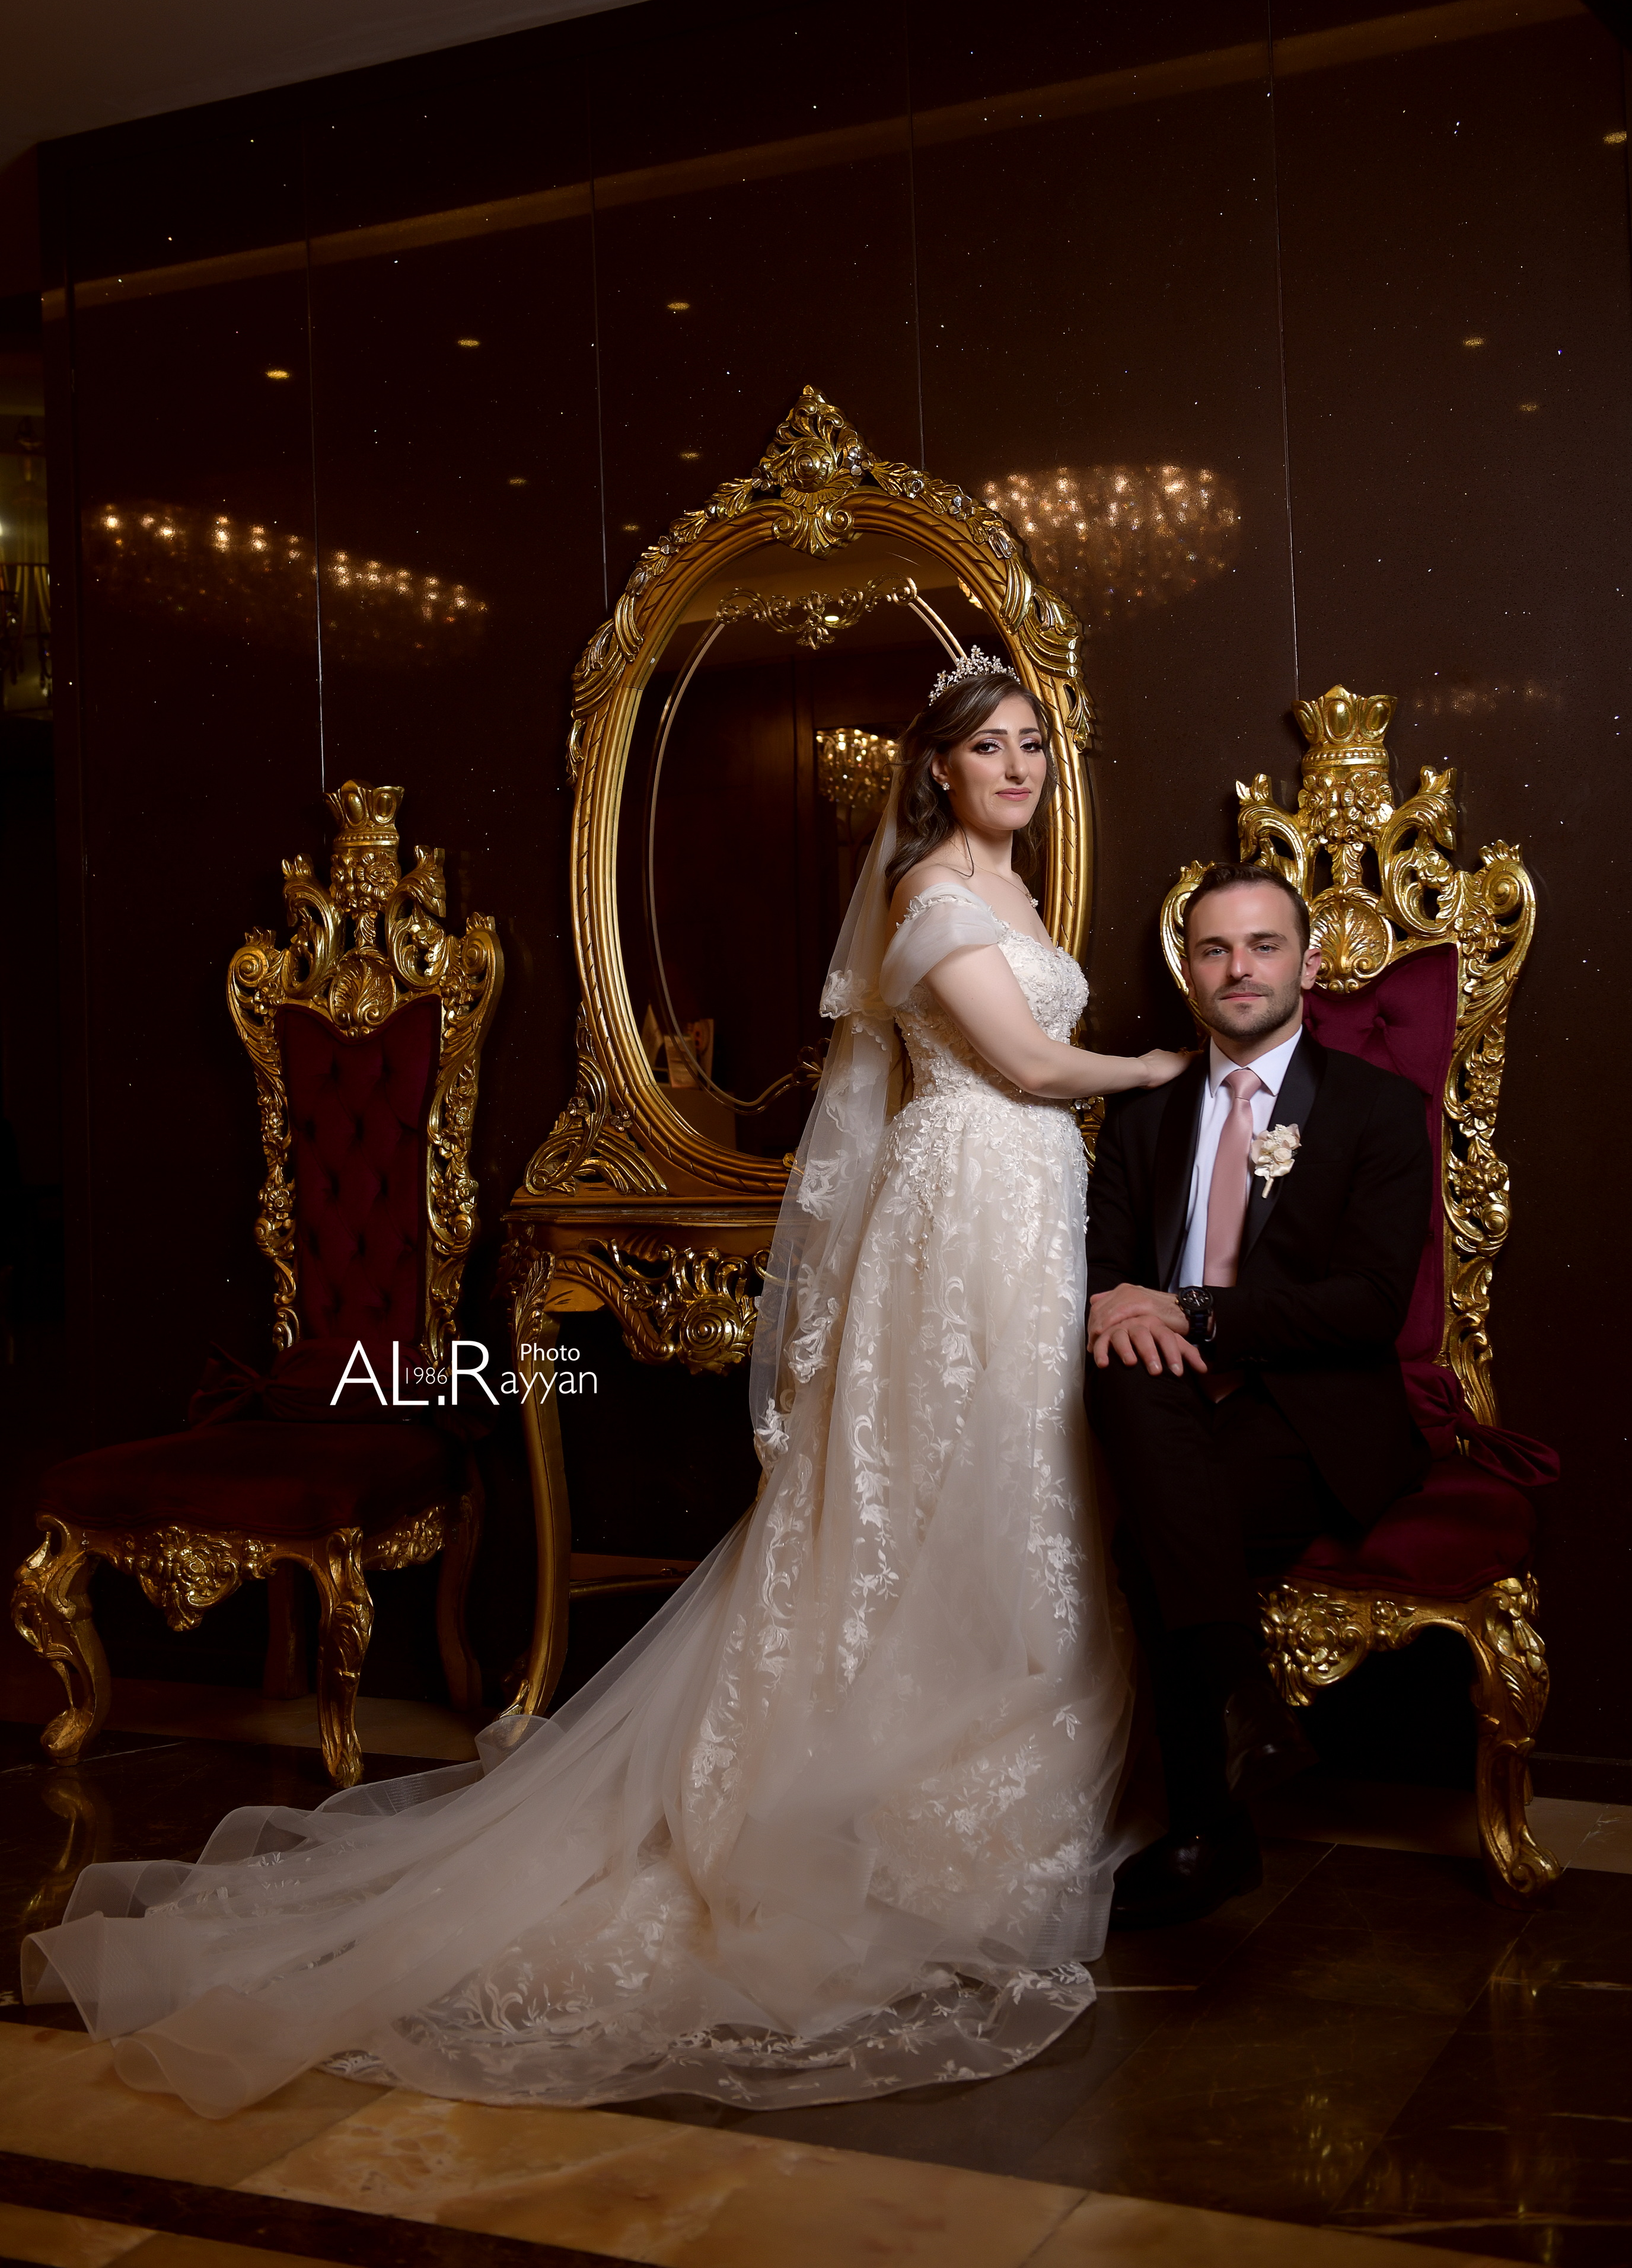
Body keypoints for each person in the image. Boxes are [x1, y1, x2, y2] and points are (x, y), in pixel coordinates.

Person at [24, 650, 1188, 2120]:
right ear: (936, 771)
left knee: (1023, 1469)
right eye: (987, 749)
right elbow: (1019, 1063)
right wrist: (1163, 1072)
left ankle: (1007, 1750)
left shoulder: (1009, 891)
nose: (1014, 768)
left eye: (1028, 746)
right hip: (961, 1202)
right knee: (936, 1476)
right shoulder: (932, 896)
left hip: (1028, 1205)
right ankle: (879, 1790)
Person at [1084, 860, 1433, 1930]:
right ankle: (1243, 1716)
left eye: (1264, 945)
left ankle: (1209, 1824)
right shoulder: (1141, 1119)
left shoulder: (1380, 1109)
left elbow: (1369, 1306)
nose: (1240, 968)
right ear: (1190, 974)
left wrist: (1190, 1311)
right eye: (1215, 949)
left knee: (1156, 1532)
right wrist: (1124, 1309)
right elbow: (1104, 1278)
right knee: (1128, 1369)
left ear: (1309, 966)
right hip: (1164, 1400)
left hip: (1311, 1417)